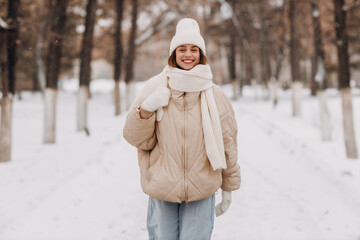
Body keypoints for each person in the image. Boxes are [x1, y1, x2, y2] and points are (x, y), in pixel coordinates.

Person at [123, 18, 240, 240]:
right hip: (162, 187)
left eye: (194, 49)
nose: (188, 55)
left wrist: (229, 186)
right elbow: (136, 138)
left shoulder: (215, 94)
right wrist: (146, 109)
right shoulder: (155, 87)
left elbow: (228, 142)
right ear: (173, 53)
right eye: (182, 49)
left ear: (201, 53)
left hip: (202, 187)